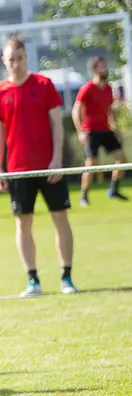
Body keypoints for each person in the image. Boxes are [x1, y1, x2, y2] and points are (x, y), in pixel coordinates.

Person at [0, 37, 77, 297]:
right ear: (4, 60)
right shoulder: (2, 92)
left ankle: (67, 277)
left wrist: (56, 160)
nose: (16, 64)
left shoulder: (44, 85)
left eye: (20, 58)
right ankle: (33, 281)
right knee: (23, 223)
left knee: (60, 218)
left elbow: (57, 125)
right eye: (11, 60)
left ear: (26, 58)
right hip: (18, 170)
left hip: (48, 167)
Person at [72, 56, 129, 206]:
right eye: (102, 67)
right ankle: (84, 195)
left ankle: (114, 189)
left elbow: (109, 110)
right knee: (91, 164)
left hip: (105, 130)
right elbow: (76, 110)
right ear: (94, 70)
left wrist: (115, 128)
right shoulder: (87, 88)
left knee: (122, 158)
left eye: (106, 66)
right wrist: (80, 131)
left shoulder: (108, 88)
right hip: (91, 131)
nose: (105, 69)